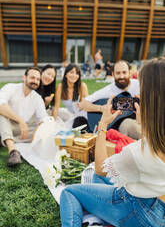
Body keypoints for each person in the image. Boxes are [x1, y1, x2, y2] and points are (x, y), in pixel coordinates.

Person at [60, 58, 165, 227]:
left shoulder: (137, 152)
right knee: (94, 177)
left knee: (69, 192)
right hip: (159, 209)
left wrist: (102, 124)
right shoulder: (149, 145)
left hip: (135, 211)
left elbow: (101, 168)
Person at [78, 60, 141, 140]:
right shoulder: (108, 90)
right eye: (118, 73)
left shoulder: (140, 86)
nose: (121, 76)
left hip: (140, 120)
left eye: (124, 72)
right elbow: (82, 104)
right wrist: (101, 108)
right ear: (112, 74)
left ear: (130, 73)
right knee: (127, 124)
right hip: (120, 126)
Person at [0, 67, 48, 166]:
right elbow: (0, 105)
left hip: (21, 130)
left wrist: (35, 135)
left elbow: (44, 119)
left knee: (43, 131)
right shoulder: (11, 87)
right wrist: (21, 121)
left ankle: (4, 139)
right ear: (24, 77)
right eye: (32, 78)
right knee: (2, 115)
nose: (35, 81)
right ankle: (13, 151)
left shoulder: (37, 98)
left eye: (38, 79)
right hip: (6, 123)